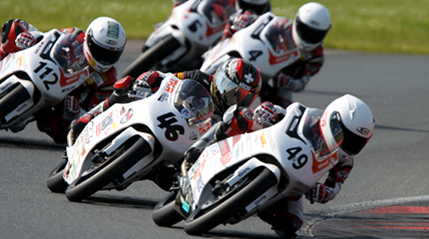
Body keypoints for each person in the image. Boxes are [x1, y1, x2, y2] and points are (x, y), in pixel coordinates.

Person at [69, 57, 276, 190]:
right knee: (125, 89)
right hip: (165, 114)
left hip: (184, 144)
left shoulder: (230, 118)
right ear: (220, 79)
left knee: (173, 180)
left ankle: (152, 174)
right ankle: (92, 116)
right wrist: (146, 81)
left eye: (242, 96)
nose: (234, 99)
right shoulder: (200, 77)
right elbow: (167, 78)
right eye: (232, 90)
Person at [0, 16, 127, 143]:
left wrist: (76, 111)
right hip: (48, 68)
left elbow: (95, 114)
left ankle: (28, 116)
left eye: (110, 55)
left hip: (62, 101)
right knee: (15, 27)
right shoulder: (75, 36)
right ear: (89, 40)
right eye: (100, 51)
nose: (104, 59)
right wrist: (32, 39)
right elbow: (50, 38)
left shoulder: (107, 80)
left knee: (64, 131)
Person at [253, 95, 375, 239]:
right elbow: (283, 114)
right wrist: (269, 109)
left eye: (356, 142)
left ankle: (258, 205)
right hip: (272, 149)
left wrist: (324, 192)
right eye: (345, 136)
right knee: (242, 120)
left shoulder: (345, 161)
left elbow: (335, 186)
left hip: (295, 181)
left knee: (291, 224)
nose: (348, 144)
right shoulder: (310, 120)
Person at [171, 0, 272, 41]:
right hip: (206, 28)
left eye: (255, 8)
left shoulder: (266, 19)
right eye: (245, 4)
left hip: (220, 46)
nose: (248, 10)